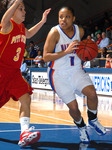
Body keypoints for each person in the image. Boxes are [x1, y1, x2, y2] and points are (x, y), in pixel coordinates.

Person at [43, 6, 106, 144]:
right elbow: (45, 57)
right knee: (74, 108)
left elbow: (87, 46)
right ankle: (81, 127)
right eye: (60, 17)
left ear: (73, 18)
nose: (63, 20)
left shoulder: (80, 30)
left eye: (67, 17)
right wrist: (66, 51)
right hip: (58, 75)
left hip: (76, 70)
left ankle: (93, 120)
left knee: (92, 95)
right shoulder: (54, 32)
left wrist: (89, 49)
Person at [0, 0, 51, 147]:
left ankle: (25, 133)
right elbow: (4, 19)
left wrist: (42, 21)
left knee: (26, 98)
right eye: (20, 9)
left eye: (23, 9)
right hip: (1, 72)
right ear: (13, 10)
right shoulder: (7, 26)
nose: (24, 11)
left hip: (14, 73)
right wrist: (16, 2)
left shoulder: (21, 28)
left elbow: (29, 33)